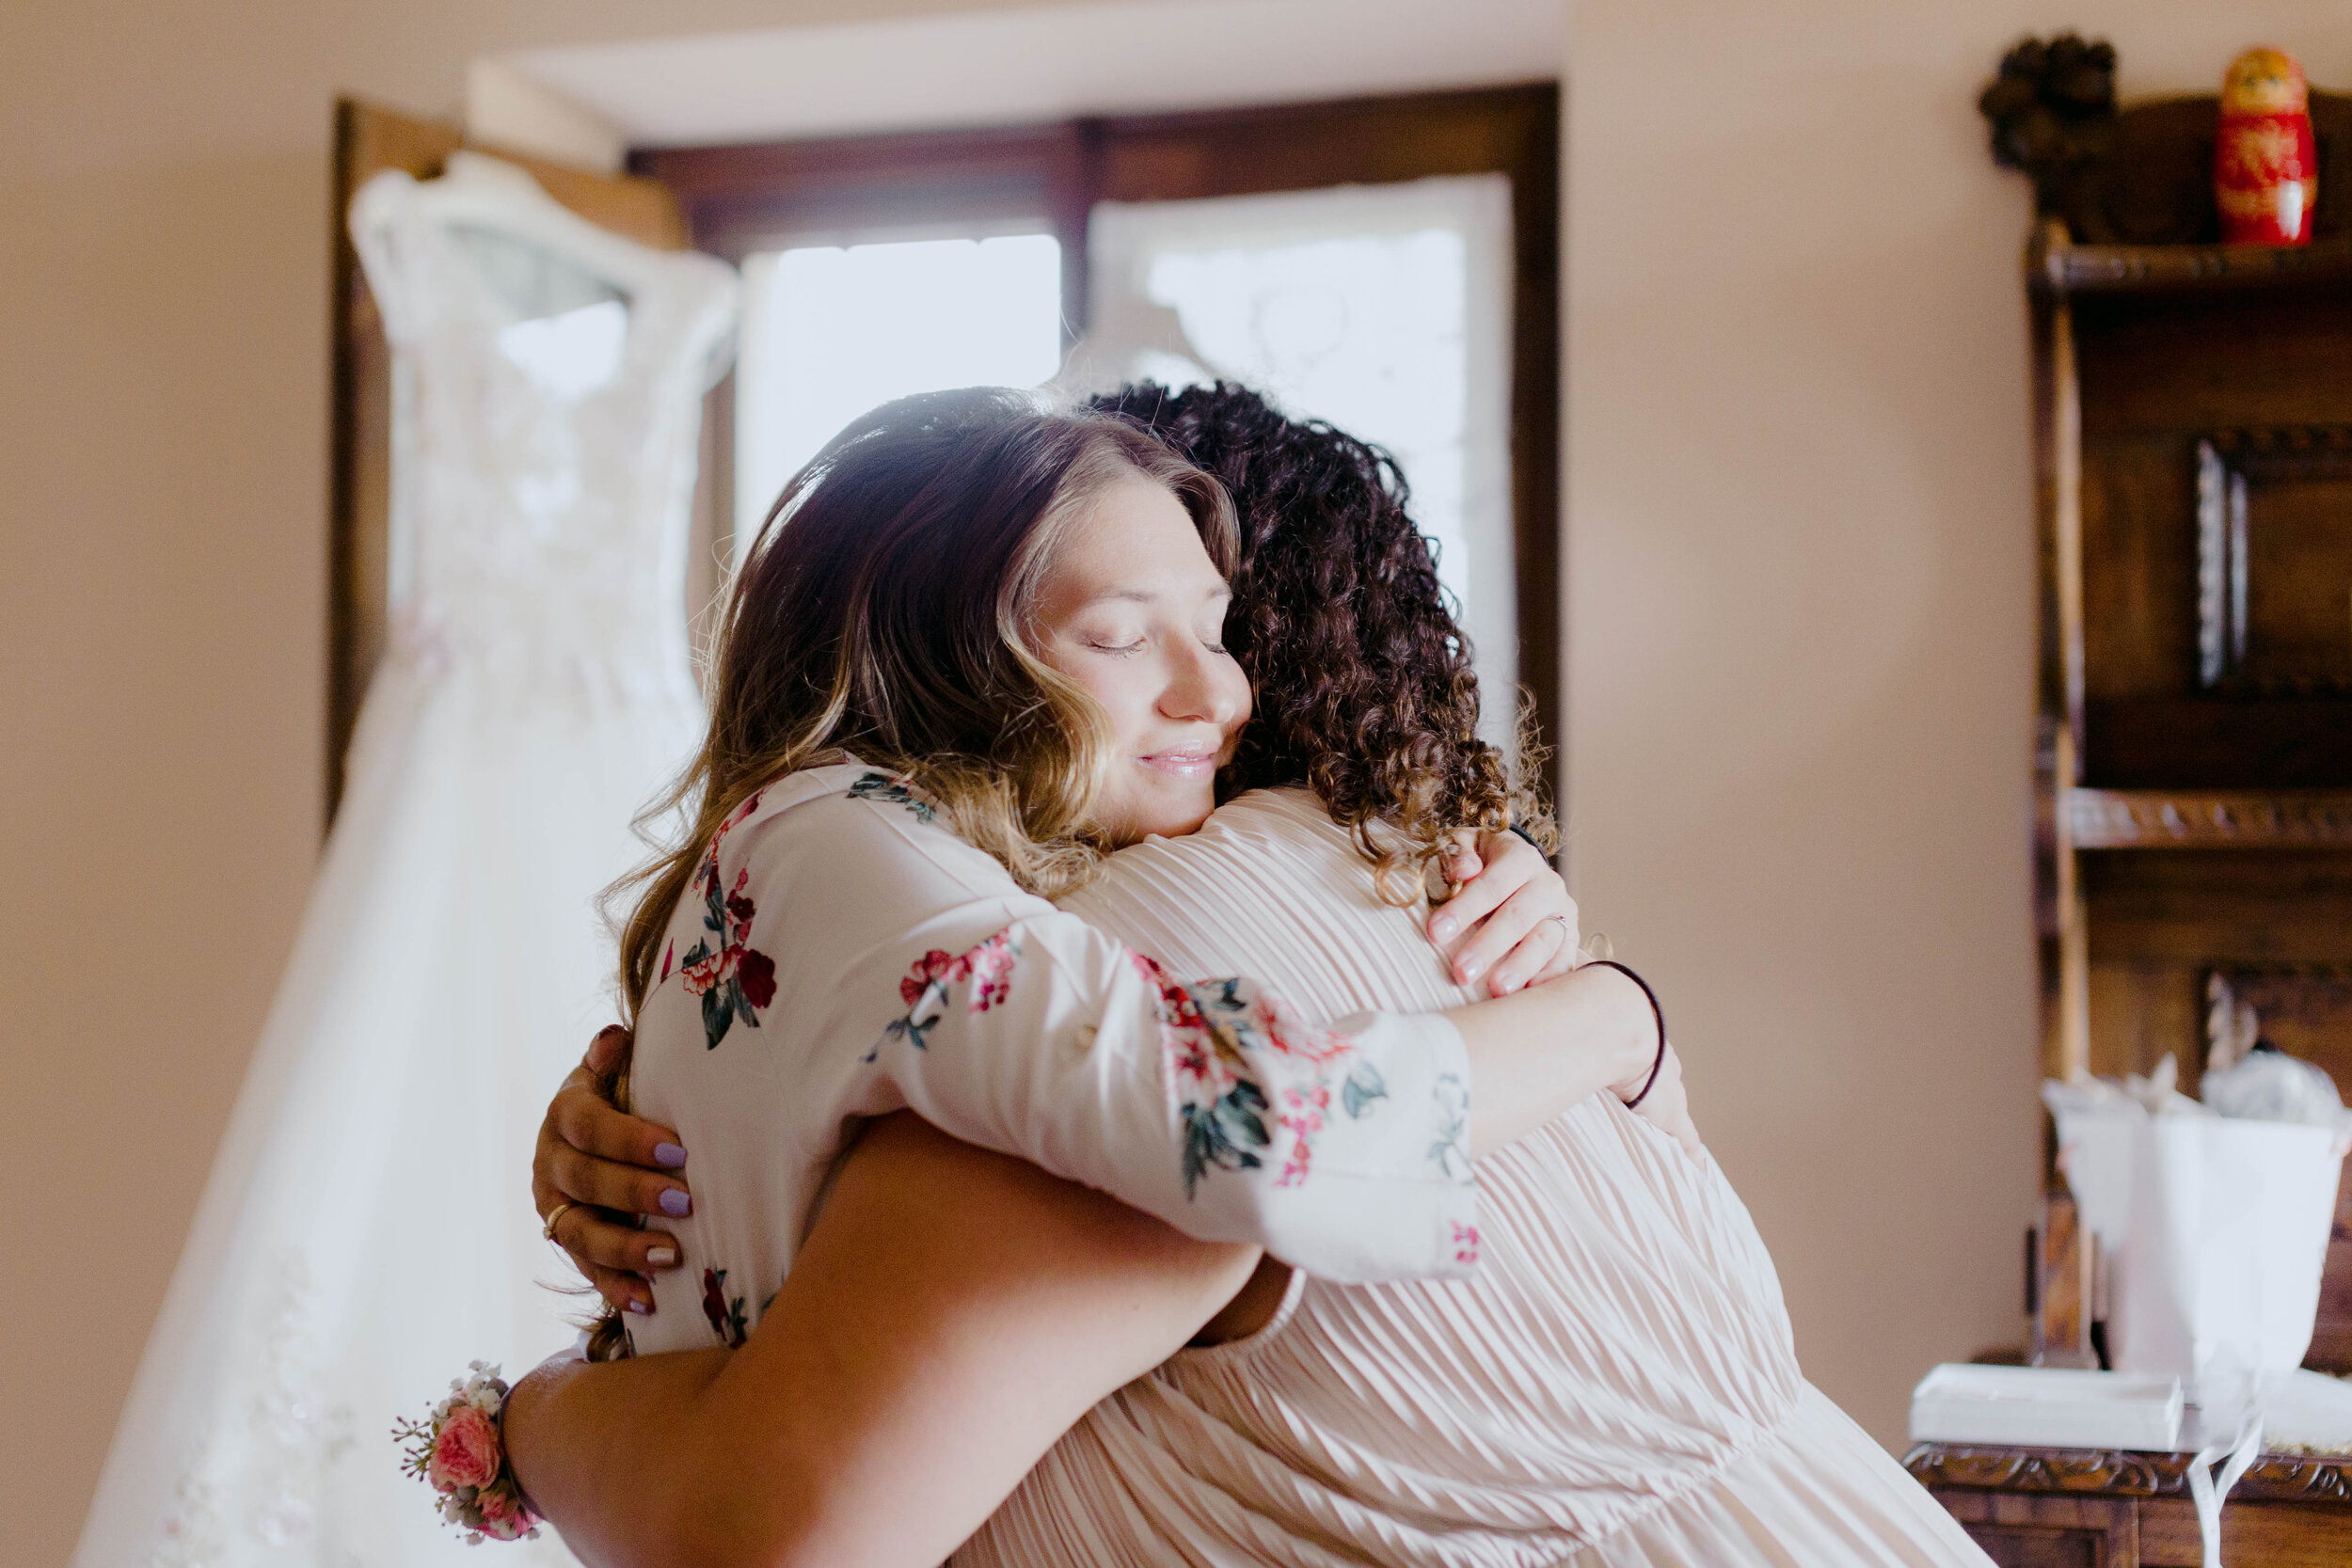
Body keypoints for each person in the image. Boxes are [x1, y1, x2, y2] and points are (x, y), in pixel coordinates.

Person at [511, 386, 1987, 1566]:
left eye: (1219, 631)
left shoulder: (844, 885)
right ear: (940, 652)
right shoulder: (848, 842)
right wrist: (1606, 1020)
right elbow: (1264, 1134)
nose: (1220, 697)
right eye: (1116, 635)